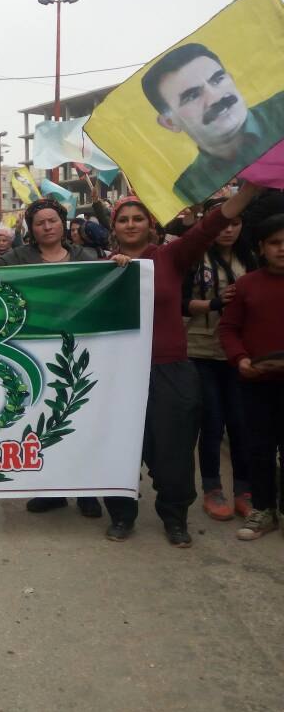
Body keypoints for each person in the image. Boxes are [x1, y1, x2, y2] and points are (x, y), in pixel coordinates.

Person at [102, 182, 261, 546]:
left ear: (150, 224)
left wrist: (249, 191)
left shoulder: (170, 257)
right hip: (119, 373)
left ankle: (175, 517)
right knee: (119, 445)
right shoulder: (101, 267)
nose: (130, 224)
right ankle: (121, 514)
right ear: (114, 228)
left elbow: (210, 225)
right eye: (123, 219)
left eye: (137, 218)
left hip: (170, 368)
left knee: (174, 448)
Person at [0, 198, 105, 520]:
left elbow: (108, 282)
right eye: (39, 223)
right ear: (31, 229)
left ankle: (87, 491)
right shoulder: (17, 258)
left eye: (52, 221)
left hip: (81, 349)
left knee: (81, 417)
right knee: (47, 417)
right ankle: (53, 490)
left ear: (63, 223)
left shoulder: (87, 257)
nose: (47, 227)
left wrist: (121, 264)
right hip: (37, 351)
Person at [183, 199, 257, 520]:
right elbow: (180, 303)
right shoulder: (193, 258)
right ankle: (212, 488)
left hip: (240, 353)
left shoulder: (250, 258)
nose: (228, 230)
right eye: (222, 223)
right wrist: (214, 304)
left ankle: (244, 489)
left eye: (235, 224)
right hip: (200, 351)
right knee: (212, 422)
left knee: (240, 422)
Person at [140, 43, 284, 204]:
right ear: (170, 122)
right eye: (192, 96)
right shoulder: (190, 188)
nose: (215, 97)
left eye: (218, 79)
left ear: (232, 79)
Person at [219, 213, 284, 540]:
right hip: (256, 383)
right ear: (261, 247)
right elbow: (229, 329)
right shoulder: (246, 285)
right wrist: (240, 358)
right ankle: (263, 510)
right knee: (259, 449)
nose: (282, 249)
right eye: (275, 243)